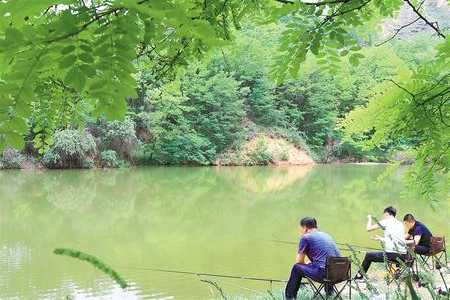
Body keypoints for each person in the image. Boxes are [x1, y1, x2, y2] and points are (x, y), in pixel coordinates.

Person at [285, 217, 340, 300]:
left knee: (297, 268)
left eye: (300, 229)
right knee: (327, 265)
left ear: (305, 228)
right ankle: (330, 293)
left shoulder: (306, 237)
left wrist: (305, 264)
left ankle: (289, 297)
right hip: (340, 273)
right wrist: (310, 264)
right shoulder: (327, 235)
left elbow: (299, 261)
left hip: (324, 274)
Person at [355, 206, 407, 279]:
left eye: (383, 215)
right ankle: (397, 269)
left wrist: (369, 218)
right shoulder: (400, 224)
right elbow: (396, 239)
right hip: (403, 256)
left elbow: (368, 229)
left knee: (369, 256)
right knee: (387, 252)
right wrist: (381, 239)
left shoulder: (386, 221)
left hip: (392, 255)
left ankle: (359, 277)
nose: (383, 217)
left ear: (386, 214)